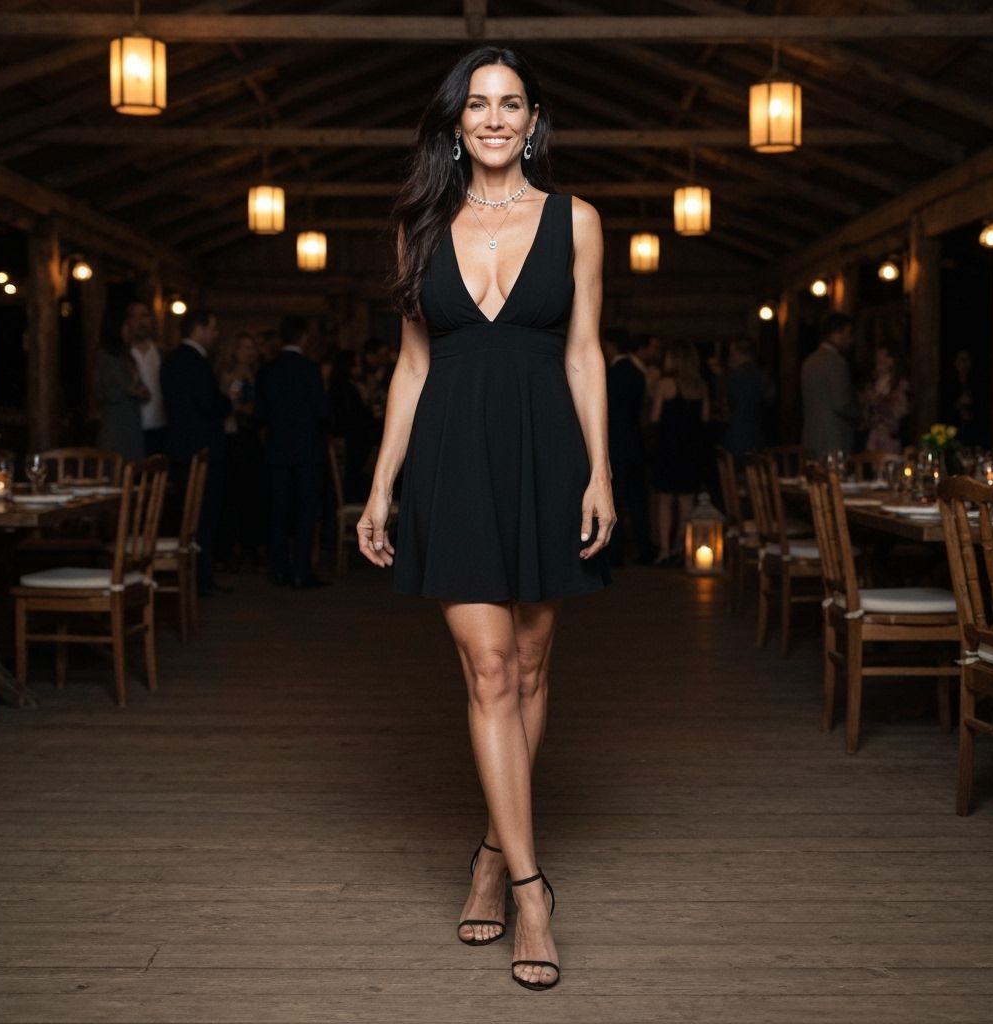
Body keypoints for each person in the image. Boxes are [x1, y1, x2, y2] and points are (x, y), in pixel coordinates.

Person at [357, 47, 613, 992]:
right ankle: (534, 889)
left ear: (534, 119)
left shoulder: (577, 221)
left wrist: (602, 476)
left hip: (547, 459)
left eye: (511, 104)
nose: (495, 119)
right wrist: (382, 484)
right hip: (452, 460)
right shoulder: (419, 225)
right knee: (492, 664)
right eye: (478, 105)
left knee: (536, 662)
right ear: (455, 122)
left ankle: (488, 858)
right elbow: (413, 367)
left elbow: (585, 354)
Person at [255, 315, 330, 589]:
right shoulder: (310, 369)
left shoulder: (267, 370)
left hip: (276, 451)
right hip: (307, 451)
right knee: (306, 512)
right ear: (303, 337)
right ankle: (302, 570)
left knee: (279, 511)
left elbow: (259, 413)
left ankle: (279, 570)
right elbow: (322, 412)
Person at [160, 308, 231, 595]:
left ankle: (192, 579)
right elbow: (209, 405)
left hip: (179, 449)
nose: (215, 335)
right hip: (201, 453)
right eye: (213, 328)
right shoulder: (197, 363)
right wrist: (227, 400)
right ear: (198, 328)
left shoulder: (171, 361)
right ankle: (201, 581)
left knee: (188, 518)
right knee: (202, 518)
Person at [650, 341, 710, 565]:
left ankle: (664, 549)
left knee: (664, 500)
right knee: (686, 500)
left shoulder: (666, 383)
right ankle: (680, 547)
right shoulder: (701, 385)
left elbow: (655, 417)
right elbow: (705, 418)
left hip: (668, 447)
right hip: (691, 448)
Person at [604, 327, 655, 566]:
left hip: (616, 444)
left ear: (611, 345)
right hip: (635, 442)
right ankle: (644, 548)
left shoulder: (613, 373)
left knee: (616, 499)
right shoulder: (637, 373)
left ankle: (615, 554)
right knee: (637, 501)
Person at [218, 331, 262, 568]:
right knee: (236, 492)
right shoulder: (229, 375)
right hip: (235, 438)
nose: (249, 352)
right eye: (244, 347)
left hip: (253, 438)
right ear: (234, 351)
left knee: (252, 494)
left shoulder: (256, 373)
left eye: (252, 347)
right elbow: (230, 407)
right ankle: (232, 548)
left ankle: (250, 545)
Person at [800, 312, 858, 461]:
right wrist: (860, 412)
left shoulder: (809, 361)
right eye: (848, 333)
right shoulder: (836, 362)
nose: (851, 340)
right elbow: (841, 403)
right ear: (837, 333)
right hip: (832, 439)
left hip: (811, 437)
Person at [94, 311, 147, 463]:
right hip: (115, 423)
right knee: (114, 466)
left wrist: (141, 391)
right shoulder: (105, 356)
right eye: (126, 326)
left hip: (132, 421)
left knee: (133, 467)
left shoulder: (128, 356)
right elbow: (100, 390)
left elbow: (137, 384)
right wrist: (128, 391)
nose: (129, 330)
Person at [328, 349, 375, 504]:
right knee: (356, 476)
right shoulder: (347, 387)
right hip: (353, 441)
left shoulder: (342, 385)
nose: (360, 368)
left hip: (352, 439)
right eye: (357, 364)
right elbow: (357, 416)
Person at [721, 337, 776, 466]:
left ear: (737, 353)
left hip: (738, 437)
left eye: (732, 353)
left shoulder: (736, 377)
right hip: (757, 437)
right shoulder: (762, 376)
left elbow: (727, 405)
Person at [124, 300, 167, 455]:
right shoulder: (123, 354)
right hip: (132, 430)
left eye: (144, 316)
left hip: (160, 426)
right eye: (135, 317)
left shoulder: (161, 352)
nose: (140, 322)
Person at [860, 344, 910, 454]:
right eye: (879, 358)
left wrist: (881, 402)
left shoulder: (900, 385)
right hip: (871, 439)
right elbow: (864, 417)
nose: (881, 360)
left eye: (885, 357)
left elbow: (902, 411)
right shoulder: (871, 385)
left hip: (890, 439)